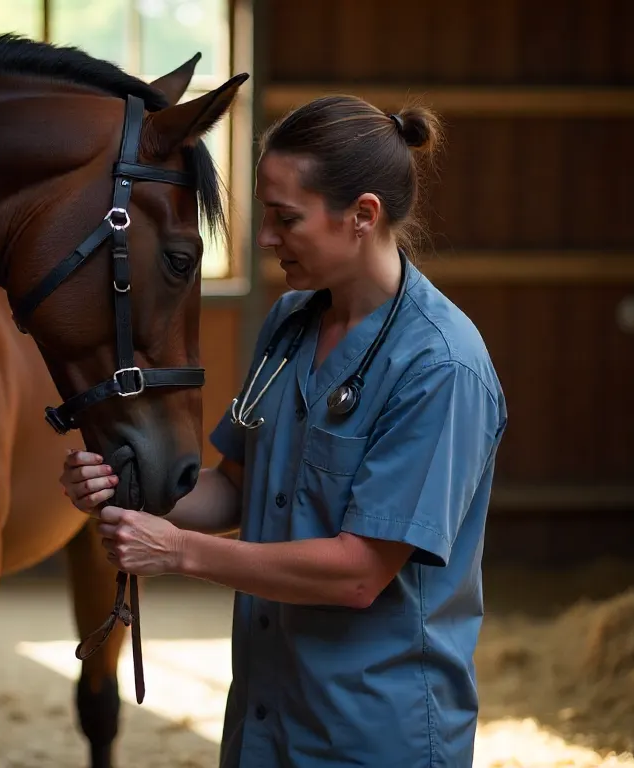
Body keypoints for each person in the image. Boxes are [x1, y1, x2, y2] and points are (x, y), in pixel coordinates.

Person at [59, 94, 507, 767]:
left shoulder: (440, 367)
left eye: (284, 218)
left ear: (362, 216)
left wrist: (176, 552)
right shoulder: (289, 323)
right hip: (265, 724)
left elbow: (359, 573)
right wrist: (125, 489)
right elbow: (237, 490)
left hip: (370, 737)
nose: (265, 238)